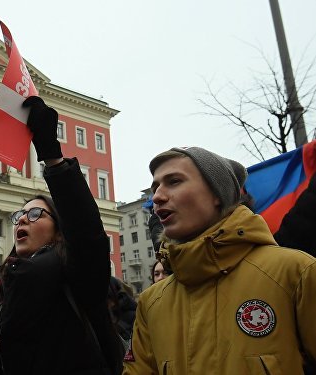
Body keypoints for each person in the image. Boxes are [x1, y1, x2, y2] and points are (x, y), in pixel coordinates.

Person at [123, 146, 316, 374]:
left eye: (174, 181)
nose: (157, 197)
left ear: (217, 194)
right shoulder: (151, 301)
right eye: (155, 188)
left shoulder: (296, 272)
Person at [0, 96, 124, 375]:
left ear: (59, 230)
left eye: (36, 214)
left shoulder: (75, 276)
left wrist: (53, 158)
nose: (22, 220)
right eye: (19, 216)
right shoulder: (0, 289)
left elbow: (86, 233)